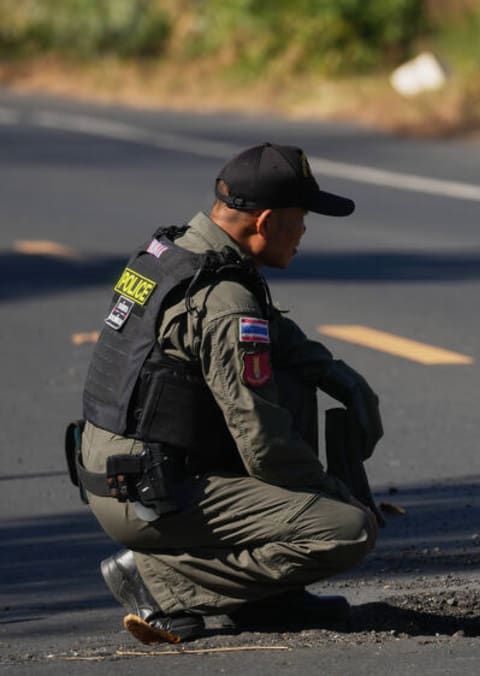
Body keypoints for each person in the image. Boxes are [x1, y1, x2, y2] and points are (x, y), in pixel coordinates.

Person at [72, 143, 383, 644]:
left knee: (292, 377)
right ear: (263, 222)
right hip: (149, 495)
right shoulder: (224, 301)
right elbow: (262, 443)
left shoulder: (178, 253)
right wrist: (328, 492)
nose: (304, 230)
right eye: (300, 217)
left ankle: (268, 596)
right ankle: (159, 582)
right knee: (345, 529)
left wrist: (341, 378)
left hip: (127, 473)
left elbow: (273, 333)